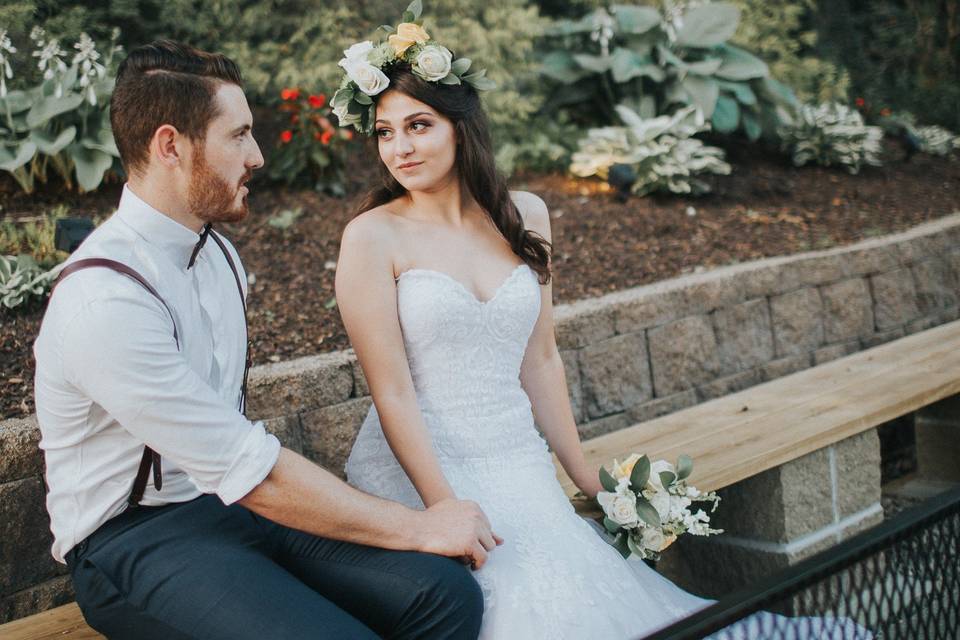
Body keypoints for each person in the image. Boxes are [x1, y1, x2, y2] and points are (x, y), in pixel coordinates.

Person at [335, 6, 874, 640]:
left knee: (590, 593)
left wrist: (581, 469)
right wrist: (443, 505)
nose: (399, 147)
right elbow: (391, 390)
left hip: (517, 457)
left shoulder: (525, 215)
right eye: (385, 131)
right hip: (422, 464)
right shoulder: (372, 237)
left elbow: (540, 359)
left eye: (418, 125)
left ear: (461, 126)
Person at [33, 39, 493, 640]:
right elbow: (251, 468)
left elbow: (246, 475)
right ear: (171, 146)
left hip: (230, 504)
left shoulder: (220, 254)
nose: (257, 156)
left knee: (445, 594)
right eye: (239, 135)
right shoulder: (104, 301)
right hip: (132, 540)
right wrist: (422, 526)